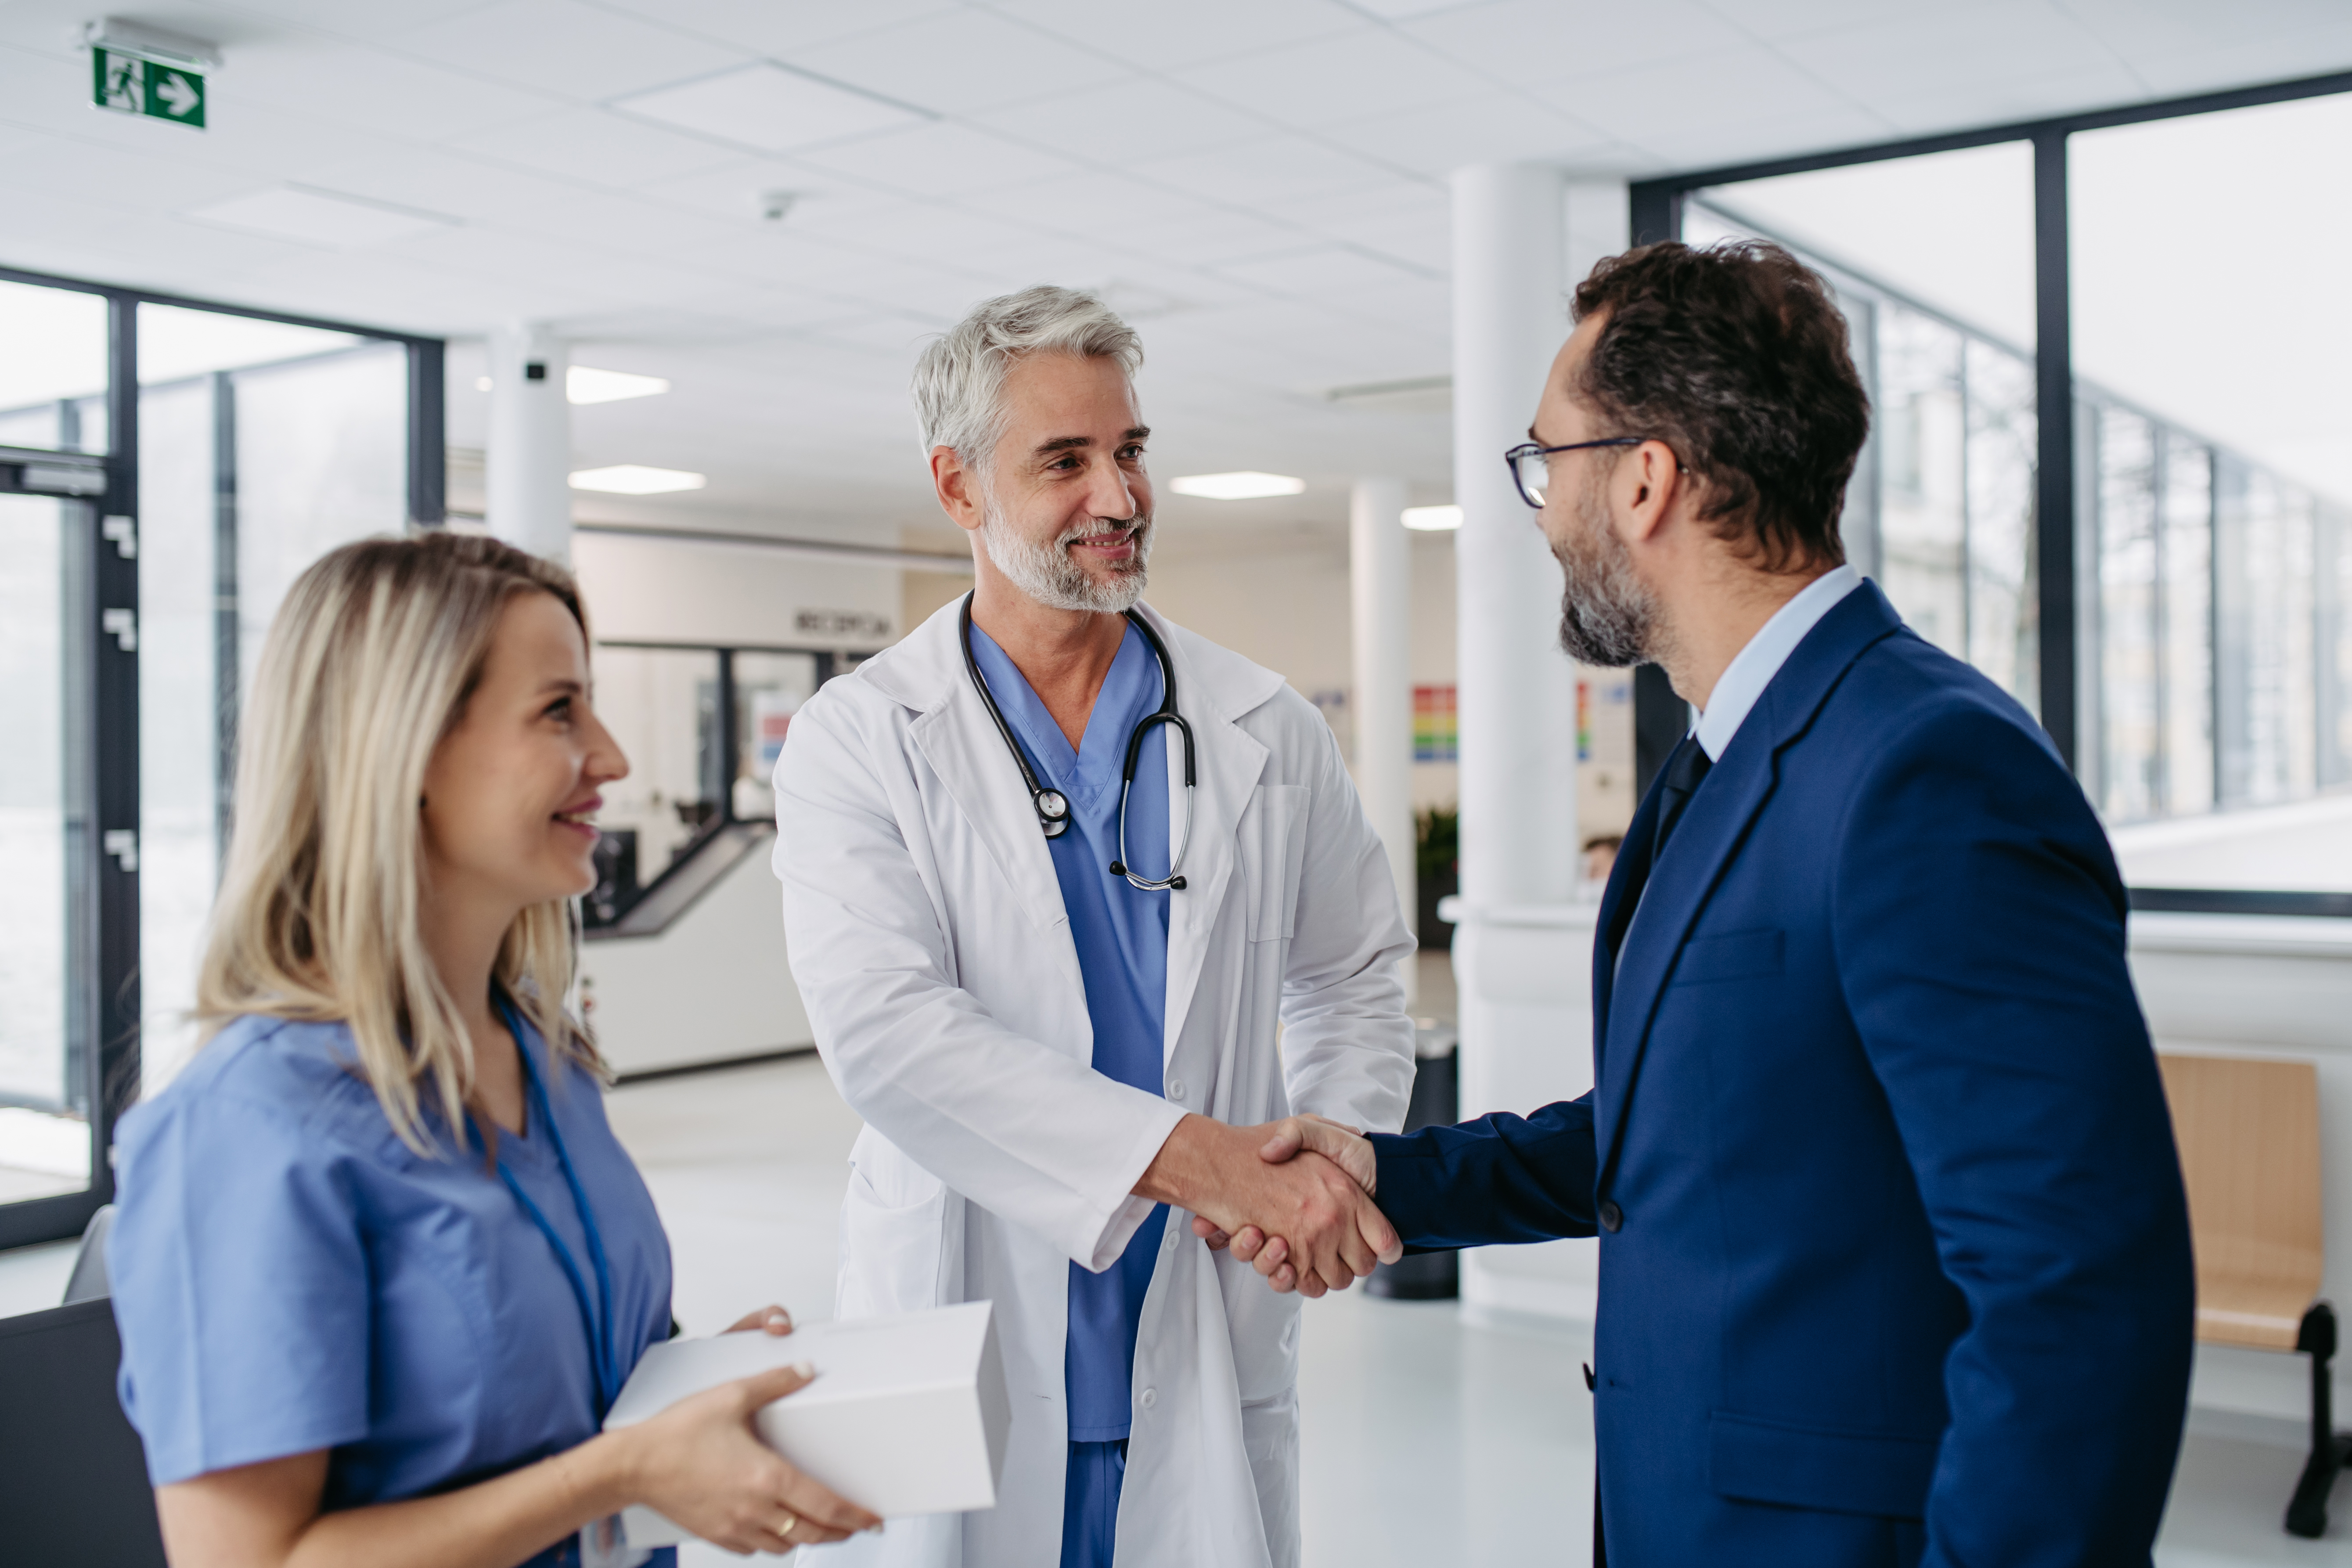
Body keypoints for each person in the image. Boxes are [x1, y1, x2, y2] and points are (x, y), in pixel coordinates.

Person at [1222, 242, 2196, 1566]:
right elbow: (1682, 1138)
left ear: (1640, 478)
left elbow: (2074, 1289)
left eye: (1544, 462)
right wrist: (1388, 1171)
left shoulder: (1921, 771)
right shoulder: (1725, 760)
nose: (1540, 508)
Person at [771, 285, 1414, 1568]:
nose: (1116, 497)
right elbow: (885, 1035)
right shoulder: (862, 736)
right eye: (1063, 461)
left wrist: (1330, 1155)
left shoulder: (1260, 725)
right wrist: (1211, 1166)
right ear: (958, 487)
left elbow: (1349, 972)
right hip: (972, 1307)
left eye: (1128, 452)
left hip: (1203, 1301)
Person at [108, 533, 881, 1568]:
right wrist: (624, 1471)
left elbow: (561, 1401)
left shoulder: (542, 1059)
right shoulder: (244, 1131)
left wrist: (687, 1390)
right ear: (407, 748)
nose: (610, 757)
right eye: (559, 710)